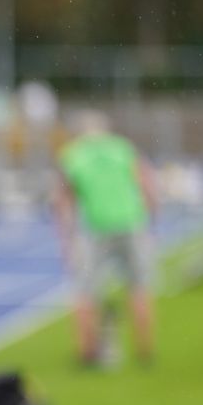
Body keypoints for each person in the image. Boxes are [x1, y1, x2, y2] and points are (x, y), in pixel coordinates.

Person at [54, 111, 155, 367]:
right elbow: (145, 184)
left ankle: (87, 352)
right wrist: (151, 218)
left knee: (85, 292)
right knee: (139, 288)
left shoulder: (73, 154)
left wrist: (66, 237)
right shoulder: (123, 148)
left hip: (95, 227)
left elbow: (63, 199)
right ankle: (145, 351)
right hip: (131, 222)